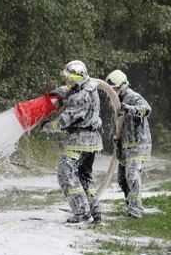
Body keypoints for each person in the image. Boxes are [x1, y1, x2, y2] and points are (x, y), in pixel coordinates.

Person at [40, 60, 103, 224]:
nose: (69, 84)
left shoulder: (81, 97)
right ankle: (95, 212)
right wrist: (59, 93)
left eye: (71, 80)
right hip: (91, 140)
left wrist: (47, 126)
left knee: (66, 174)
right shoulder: (90, 86)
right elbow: (71, 91)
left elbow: (64, 121)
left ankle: (82, 213)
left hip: (79, 140)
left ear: (79, 78)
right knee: (84, 175)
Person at [105, 70, 152, 218]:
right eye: (112, 89)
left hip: (138, 144)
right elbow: (116, 122)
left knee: (132, 175)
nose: (114, 92)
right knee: (122, 179)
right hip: (124, 146)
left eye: (116, 88)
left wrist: (129, 109)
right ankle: (130, 204)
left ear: (124, 86)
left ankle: (136, 210)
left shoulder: (133, 97)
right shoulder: (115, 101)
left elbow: (147, 109)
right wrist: (113, 135)